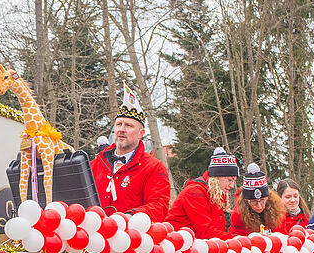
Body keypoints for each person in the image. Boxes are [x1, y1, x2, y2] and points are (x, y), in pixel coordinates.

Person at [90, 86, 171, 222]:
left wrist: (130, 217)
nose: (121, 129)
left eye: (128, 125)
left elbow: (159, 206)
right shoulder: (96, 164)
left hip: (132, 238)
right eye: (118, 124)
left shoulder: (154, 168)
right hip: (94, 238)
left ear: (141, 133)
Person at [167, 148, 238, 239]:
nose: (232, 186)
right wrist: (236, 239)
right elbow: (206, 232)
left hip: (197, 245)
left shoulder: (215, 194)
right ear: (216, 178)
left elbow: (219, 229)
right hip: (178, 244)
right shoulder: (194, 193)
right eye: (229, 180)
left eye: (233, 181)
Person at [229, 164, 285, 236]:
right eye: (254, 202)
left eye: (262, 200)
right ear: (246, 200)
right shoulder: (238, 215)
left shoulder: (278, 209)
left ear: (268, 198)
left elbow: (281, 235)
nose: (259, 206)